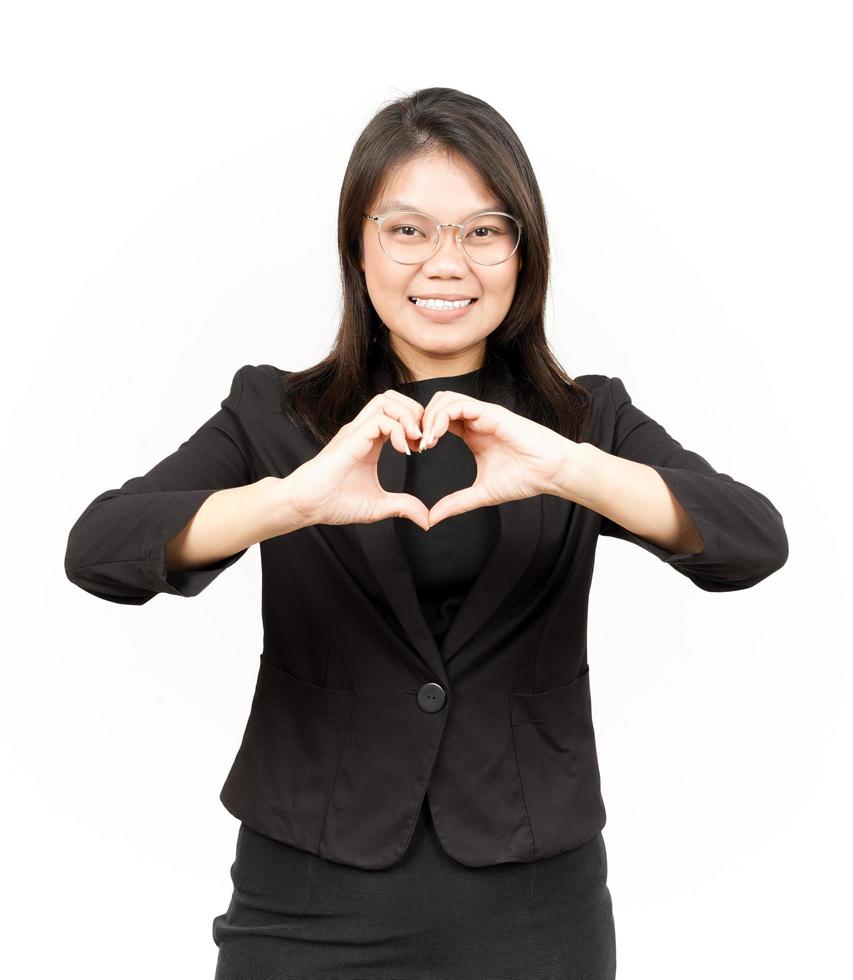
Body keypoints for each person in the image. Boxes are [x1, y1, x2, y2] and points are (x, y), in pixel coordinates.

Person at [64, 87, 789, 980]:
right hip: (305, 904)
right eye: (408, 230)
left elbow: (751, 541)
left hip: (535, 909)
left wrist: (568, 467)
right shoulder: (277, 412)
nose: (446, 262)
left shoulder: (584, 419)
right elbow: (100, 549)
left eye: (483, 230)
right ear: (357, 246)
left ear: (523, 253)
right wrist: (289, 501)